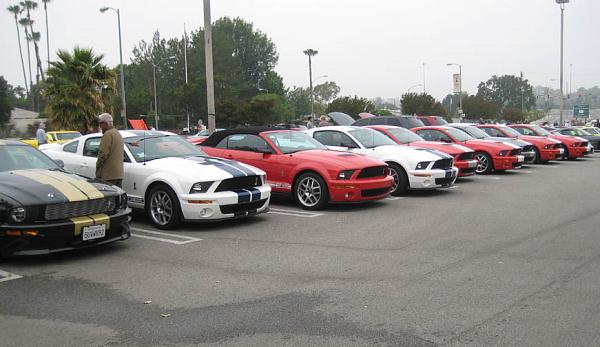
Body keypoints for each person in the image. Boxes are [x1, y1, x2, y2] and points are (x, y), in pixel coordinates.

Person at [96, 113, 124, 188]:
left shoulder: (107, 135)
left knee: (108, 198)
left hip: (108, 175)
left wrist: (98, 171)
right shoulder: (117, 133)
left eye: (100, 124)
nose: (100, 126)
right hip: (118, 174)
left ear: (105, 123)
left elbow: (103, 154)